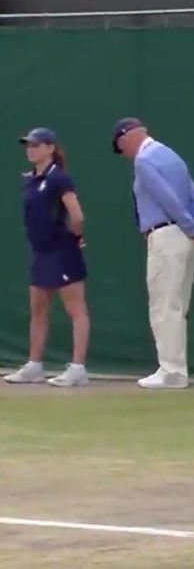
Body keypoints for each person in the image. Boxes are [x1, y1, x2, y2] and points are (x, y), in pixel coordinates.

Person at [112, 117, 194, 390]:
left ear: (126, 139)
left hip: (166, 236)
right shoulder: (173, 157)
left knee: (163, 306)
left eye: (121, 148)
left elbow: (168, 198)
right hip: (185, 239)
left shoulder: (144, 161)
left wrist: (192, 228)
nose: (124, 154)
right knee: (177, 306)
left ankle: (170, 371)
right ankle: (175, 370)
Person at [3, 127, 91, 387]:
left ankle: (78, 368)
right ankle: (34, 365)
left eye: (36, 145)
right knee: (38, 311)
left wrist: (74, 238)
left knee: (76, 310)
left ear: (50, 148)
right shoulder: (29, 179)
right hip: (40, 252)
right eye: (28, 145)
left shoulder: (59, 178)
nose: (31, 149)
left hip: (62, 250)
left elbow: (77, 215)